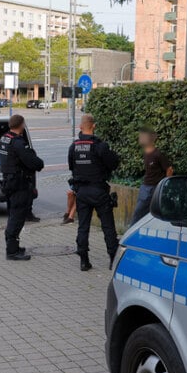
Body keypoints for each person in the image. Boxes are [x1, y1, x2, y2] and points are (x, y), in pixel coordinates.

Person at [68, 114, 121, 271]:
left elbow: (72, 167)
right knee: (108, 226)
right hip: (99, 190)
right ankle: (113, 258)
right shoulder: (100, 146)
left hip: (82, 192)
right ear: (94, 126)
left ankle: (84, 261)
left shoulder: (73, 146)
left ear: (80, 127)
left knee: (83, 226)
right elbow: (114, 163)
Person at [0, 114, 44, 260]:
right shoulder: (18, 142)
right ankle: (12, 251)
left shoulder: (4, 138)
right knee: (17, 217)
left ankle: (13, 246)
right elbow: (33, 161)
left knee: (13, 215)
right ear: (21, 125)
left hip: (9, 182)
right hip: (19, 184)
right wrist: (39, 163)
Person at [131, 128, 173, 224]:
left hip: (154, 188)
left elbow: (169, 169)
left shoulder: (158, 154)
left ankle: (131, 231)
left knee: (139, 213)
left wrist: (165, 185)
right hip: (146, 187)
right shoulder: (146, 153)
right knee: (142, 213)